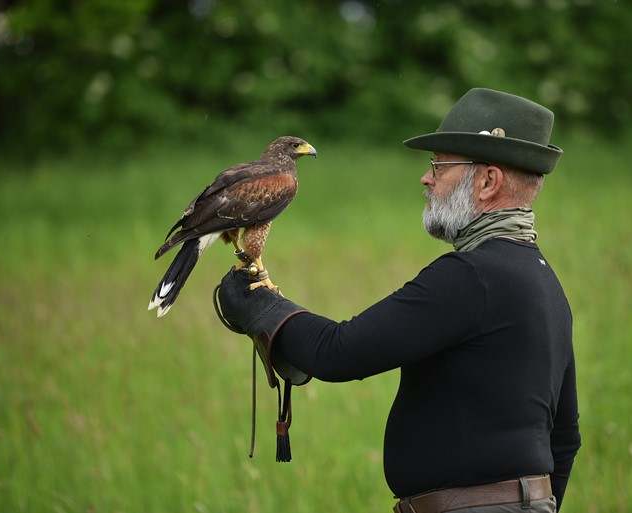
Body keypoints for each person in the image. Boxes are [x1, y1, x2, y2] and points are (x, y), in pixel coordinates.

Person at [215, 88, 581, 513]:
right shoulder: (545, 281)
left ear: (487, 181)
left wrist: (259, 305)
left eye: (439, 165)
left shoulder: (471, 276)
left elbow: (339, 352)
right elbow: (565, 437)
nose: (427, 178)